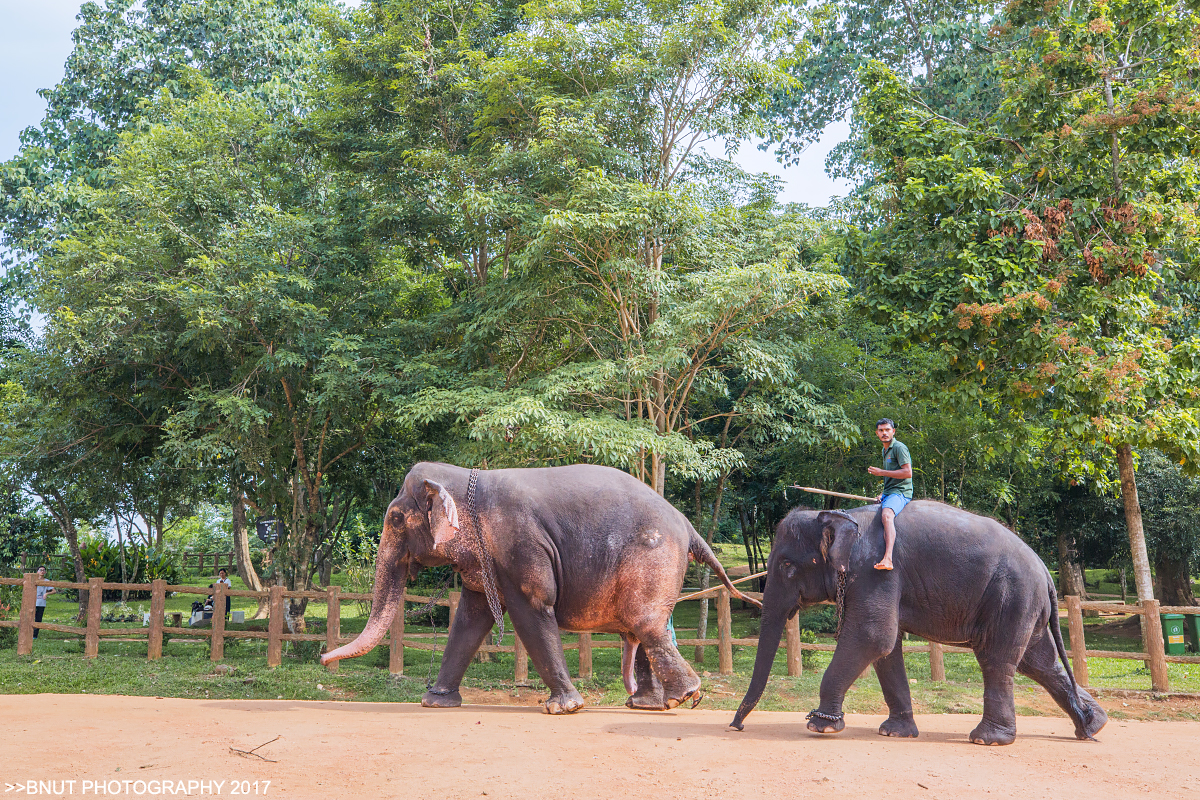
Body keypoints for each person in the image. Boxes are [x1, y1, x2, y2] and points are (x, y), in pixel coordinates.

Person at [866, 418, 912, 571]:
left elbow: (907, 473)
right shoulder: (885, 450)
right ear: (877, 433)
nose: (884, 433)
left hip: (901, 493)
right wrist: (883, 493)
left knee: (886, 516)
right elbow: (891, 477)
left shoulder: (899, 448)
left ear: (893, 431)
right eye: (881, 430)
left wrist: (881, 472)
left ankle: (888, 558)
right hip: (890, 492)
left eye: (887, 430)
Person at [33, 565, 56, 639]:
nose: (42, 571)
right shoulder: (33, 580)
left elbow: (54, 591)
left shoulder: (47, 581)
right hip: (33, 602)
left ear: (45, 572)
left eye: (43, 570)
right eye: (40, 570)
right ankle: (28, 633)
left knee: (38, 619)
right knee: (30, 618)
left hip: (41, 603)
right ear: (37, 572)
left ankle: (35, 635)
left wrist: (47, 593)